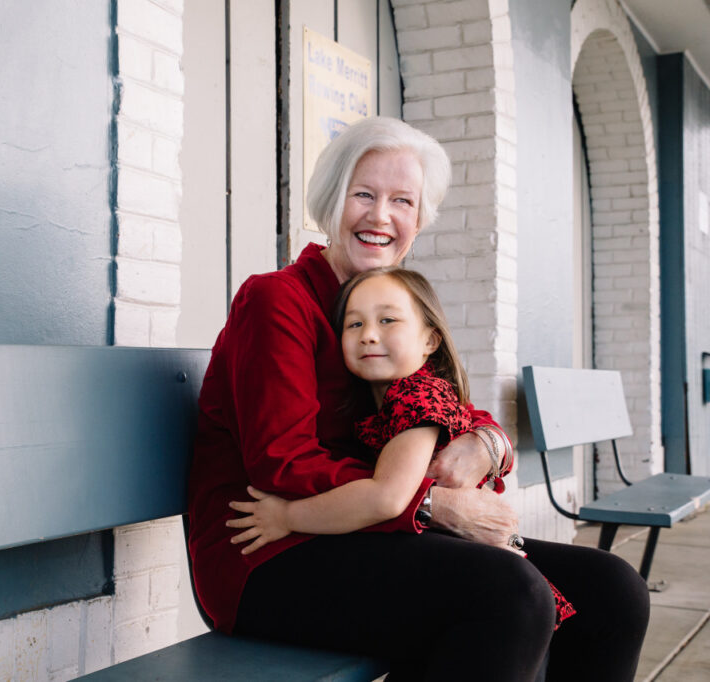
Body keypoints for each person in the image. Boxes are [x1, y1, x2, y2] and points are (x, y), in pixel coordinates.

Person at [186, 116, 649, 680]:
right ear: (331, 200)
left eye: (402, 201)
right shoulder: (277, 301)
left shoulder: (387, 304)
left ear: (419, 219)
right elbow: (282, 462)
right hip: (270, 550)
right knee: (510, 595)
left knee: (612, 589)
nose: (381, 216)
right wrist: (429, 503)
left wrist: (486, 442)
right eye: (364, 194)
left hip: (365, 532)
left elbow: (443, 403)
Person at [224, 266, 574, 628]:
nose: (369, 336)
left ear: (430, 341)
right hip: (454, 558)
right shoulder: (390, 397)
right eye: (353, 324)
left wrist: (286, 517)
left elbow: (386, 498)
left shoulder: (415, 398)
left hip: (479, 557)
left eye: (388, 320)